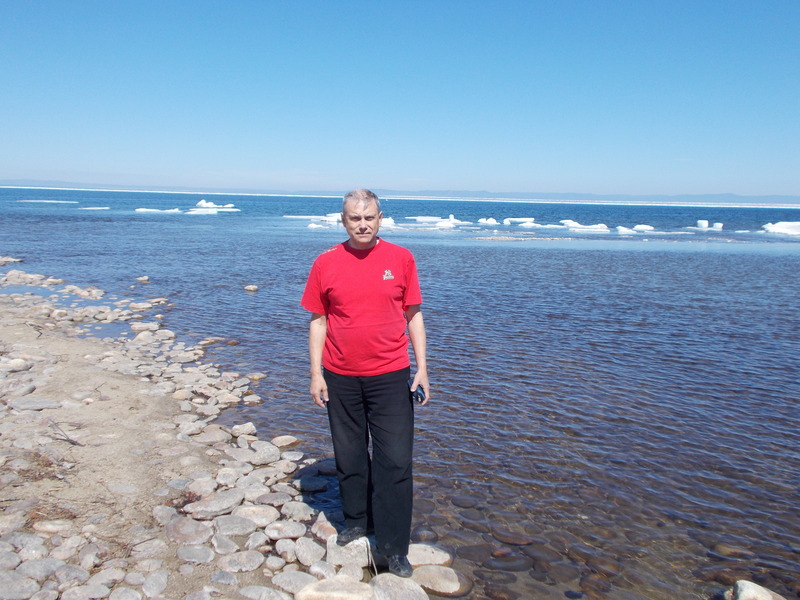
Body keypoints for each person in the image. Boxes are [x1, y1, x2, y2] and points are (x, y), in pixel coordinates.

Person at [300, 189, 430, 578]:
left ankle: (394, 547)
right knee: (350, 453)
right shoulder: (326, 262)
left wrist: (422, 368)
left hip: (391, 376)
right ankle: (357, 520)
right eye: (354, 218)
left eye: (369, 217)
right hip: (340, 375)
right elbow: (318, 321)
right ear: (343, 221)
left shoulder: (401, 258)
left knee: (395, 461)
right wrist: (315, 374)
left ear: (380, 218)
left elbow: (413, 315)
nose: (362, 224)